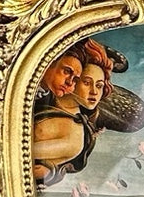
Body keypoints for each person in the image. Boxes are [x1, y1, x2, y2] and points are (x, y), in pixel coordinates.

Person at [31, 40, 113, 186]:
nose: (94, 92)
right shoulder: (45, 94)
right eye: (86, 82)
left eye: (99, 86)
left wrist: (50, 171)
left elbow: (19, 152)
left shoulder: (73, 139)